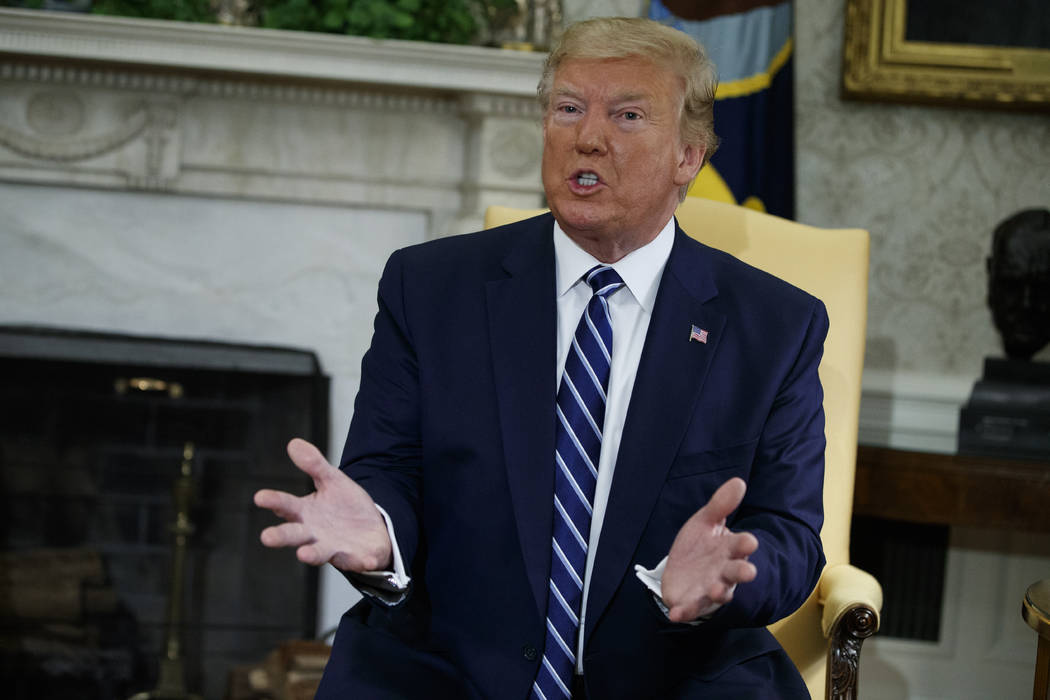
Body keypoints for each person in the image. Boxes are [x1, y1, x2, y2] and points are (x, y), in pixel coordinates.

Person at [255, 16, 827, 700]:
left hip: (672, 672)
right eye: (568, 109)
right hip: (449, 665)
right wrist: (380, 535)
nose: (587, 136)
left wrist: (723, 581)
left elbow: (789, 533)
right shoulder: (431, 288)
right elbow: (388, 468)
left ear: (689, 157)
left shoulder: (773, 327)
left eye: (628, 114)